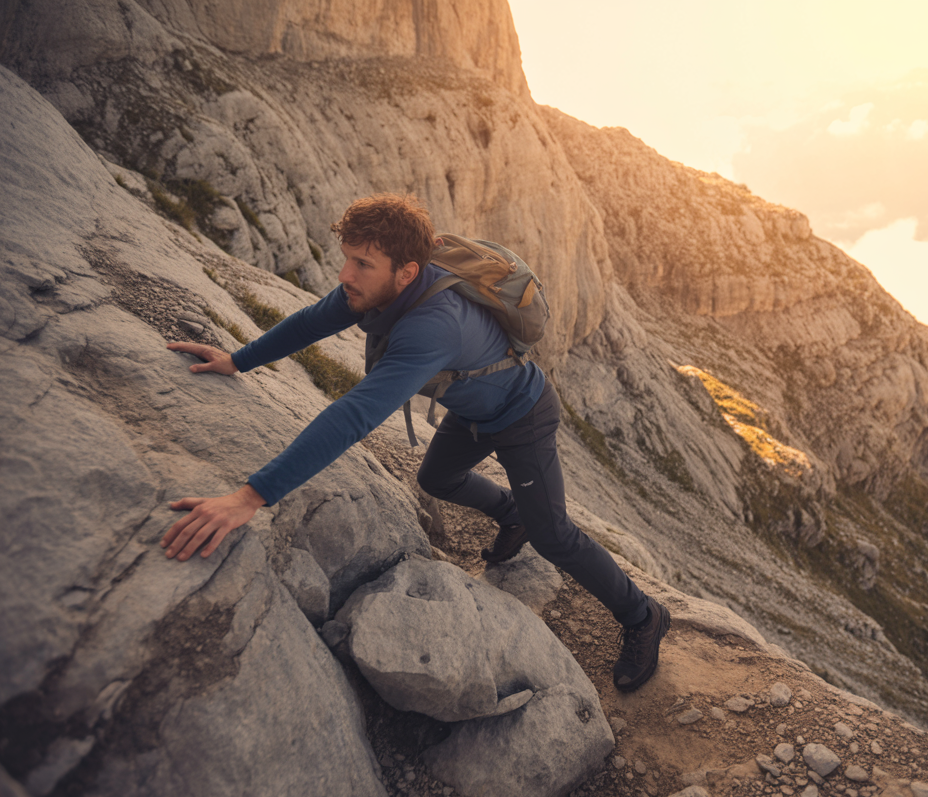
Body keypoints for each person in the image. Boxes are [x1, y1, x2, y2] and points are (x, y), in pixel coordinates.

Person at [161, 193, 670, 692]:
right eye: (347, 260)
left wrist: (250, 496)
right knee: (437, 478)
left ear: (406, 272)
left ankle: (644, 615)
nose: (345, 275)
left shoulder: (433, 325)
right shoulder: (382, 289)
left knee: (554, 534)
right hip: (474, 414)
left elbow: (353, 415)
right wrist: (238, 360)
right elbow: (313, 321)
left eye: (362, 263)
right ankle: (512, 513)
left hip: (522, 416)